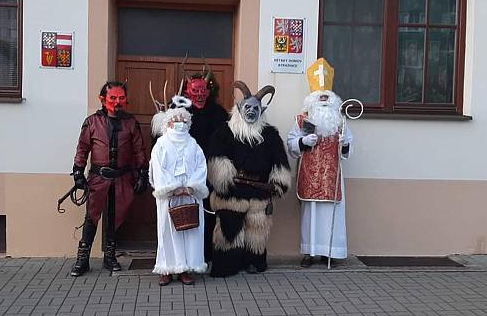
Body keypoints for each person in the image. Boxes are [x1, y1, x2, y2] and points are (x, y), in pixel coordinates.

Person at [206, 81, 291, 277]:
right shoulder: (225, 132)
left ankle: (254, 261)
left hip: (259, 191)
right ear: (238, 108)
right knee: (229, 230)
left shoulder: (270, 135)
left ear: (262, 110)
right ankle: (227, 264)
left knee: (256, 230)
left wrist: (277, 184)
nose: (251, 111)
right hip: (232, 191)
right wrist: (224, 182)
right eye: (247, 107)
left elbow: (280, 163)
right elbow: (216, 159)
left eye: (255, 108)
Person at [69, 81, 148, 277]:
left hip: (122, 179)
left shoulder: (131, 123)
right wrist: (78, 173)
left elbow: (139, 151)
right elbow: (82, 149)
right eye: (113, 98)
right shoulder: (92, 122)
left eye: (121, 98)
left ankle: (110, 257)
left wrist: (142, 174)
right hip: (98, 178)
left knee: (115, 218)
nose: (117, 102)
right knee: (91, 218)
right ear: (103, 99)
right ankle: (83, 259)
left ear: (126, 100)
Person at [286, 59, 353, 268]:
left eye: (327, 98)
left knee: (331, 214)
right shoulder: (301, 120)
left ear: (333, 100)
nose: (323, 101)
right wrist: (303, 142)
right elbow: (290, 143)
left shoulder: (340, 121)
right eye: (320, 98)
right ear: (312, 100)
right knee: (311, 215)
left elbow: (349, 147)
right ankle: (310, 252)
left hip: (331, 178)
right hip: (310, 173)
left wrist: (344, 144)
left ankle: (330, 252)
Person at [149, 107, 209, 286]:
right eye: (176, 120)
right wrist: (172, 188)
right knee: (168, 232)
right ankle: (166, 269)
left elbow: (201, 166)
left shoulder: (194, 145)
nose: (180, 124)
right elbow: (157, 169)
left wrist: (190, 187)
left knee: (190, 232)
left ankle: (185, 269)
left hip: (190, 197)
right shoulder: (161, 144)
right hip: (169, 198)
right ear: (168, 123)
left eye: (184, 121)